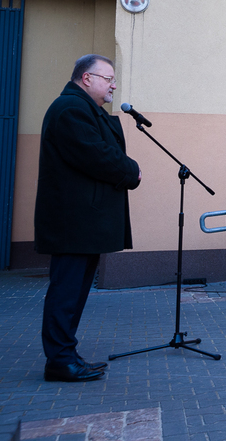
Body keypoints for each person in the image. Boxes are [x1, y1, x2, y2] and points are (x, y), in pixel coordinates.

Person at [35, 54, 141, 382]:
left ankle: (66, 355)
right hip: (74, 223)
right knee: (66, 291)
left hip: (83, 222)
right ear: (86, 79)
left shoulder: (82, 108)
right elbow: (96, 155)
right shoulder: (70, 109)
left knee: (74, 292)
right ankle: (59, 360)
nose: (112, 84)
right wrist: (131, 169)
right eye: (107, 78)